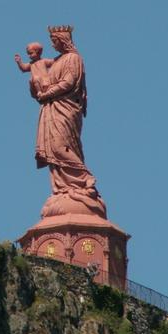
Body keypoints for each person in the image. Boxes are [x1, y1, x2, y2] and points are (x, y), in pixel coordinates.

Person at [34, 25, 106, 218]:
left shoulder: (73, 58)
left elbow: (68, 82)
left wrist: (47, 93)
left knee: (60, 146)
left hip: (66, 108)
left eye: (54, 41)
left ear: (63, 40)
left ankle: (85, 178)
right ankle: (64, 188)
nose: (52, 45)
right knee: (53, 148)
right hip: (52, 108)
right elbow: (43, 81)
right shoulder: (56, 61)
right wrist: (36, 86)